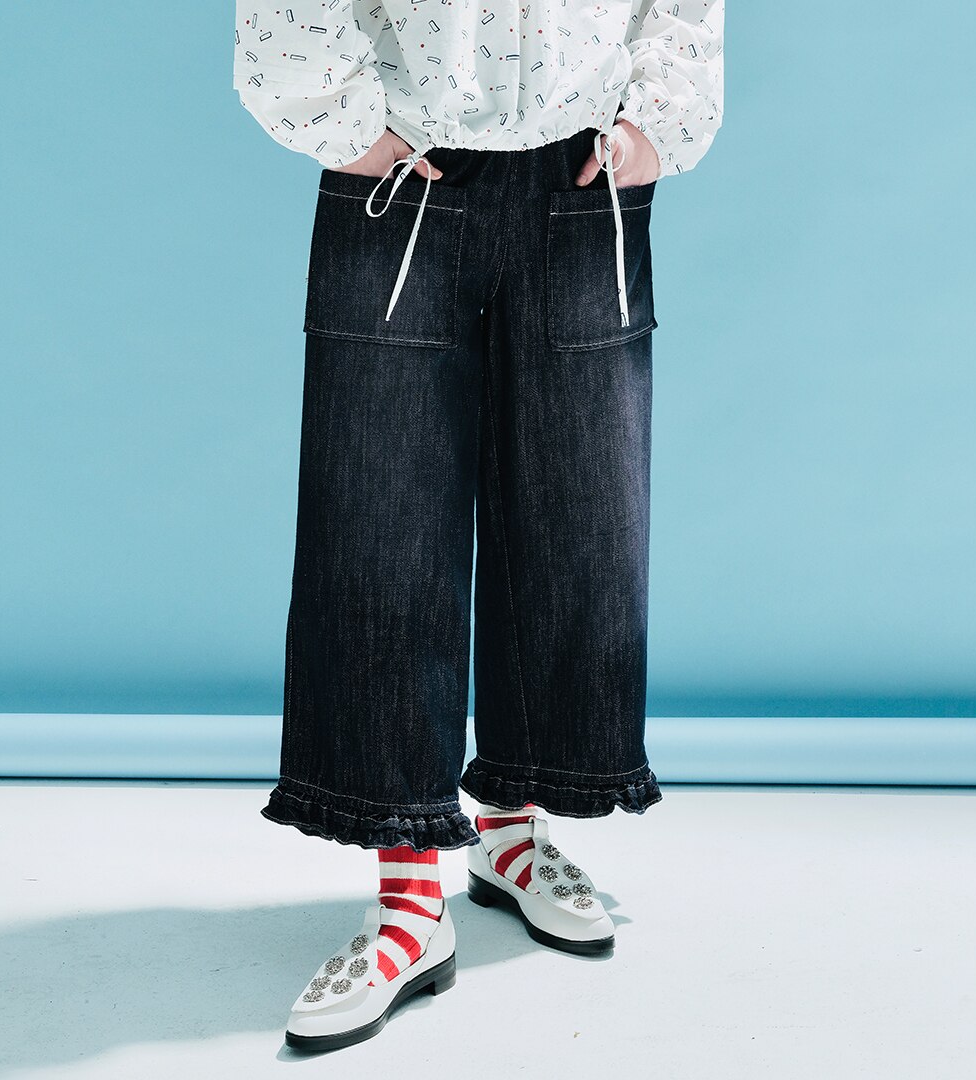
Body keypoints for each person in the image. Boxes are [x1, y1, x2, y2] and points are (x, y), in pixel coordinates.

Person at [232, 0, 724, 1052]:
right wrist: (349, 126)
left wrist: (654, 125)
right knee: (382, 523)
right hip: (406, 171)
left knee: (578, 515)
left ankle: (510, 828)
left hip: (583, 176)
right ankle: (411, 894)